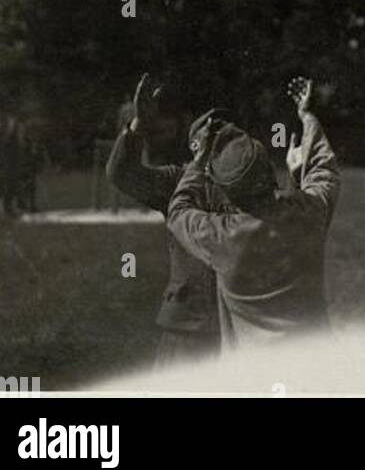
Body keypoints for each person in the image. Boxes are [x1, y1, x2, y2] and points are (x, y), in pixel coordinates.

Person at [166, 76, 339, 348]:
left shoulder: (221, 236)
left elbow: (178, 211)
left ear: (227, 191)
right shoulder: (307, 213)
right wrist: (307, 117)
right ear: (270, 172)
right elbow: (323, 171)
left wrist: (198, 165)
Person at [106, 75, 223, 365]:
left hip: (236, 323)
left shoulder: (252, 185)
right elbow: (122, 174)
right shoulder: (178, 180)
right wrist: (139, 126)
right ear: (195, 147)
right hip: (188, 323)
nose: (219, 144)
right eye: (210, 138)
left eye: (227, 139)